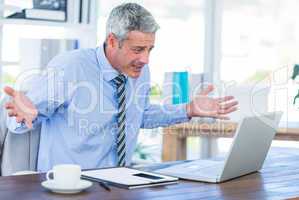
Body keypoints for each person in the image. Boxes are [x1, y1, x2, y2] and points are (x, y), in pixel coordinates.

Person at [4, 3, 238, 172]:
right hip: (69, 186)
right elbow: (17, 120)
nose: (145, 59)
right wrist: (25, 116)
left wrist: (188, 109)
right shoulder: (70, 67)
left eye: (149, 49)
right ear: (113, 41)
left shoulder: (138, 70)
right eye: (138, 50)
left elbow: (140, 115)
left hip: (120, 182)